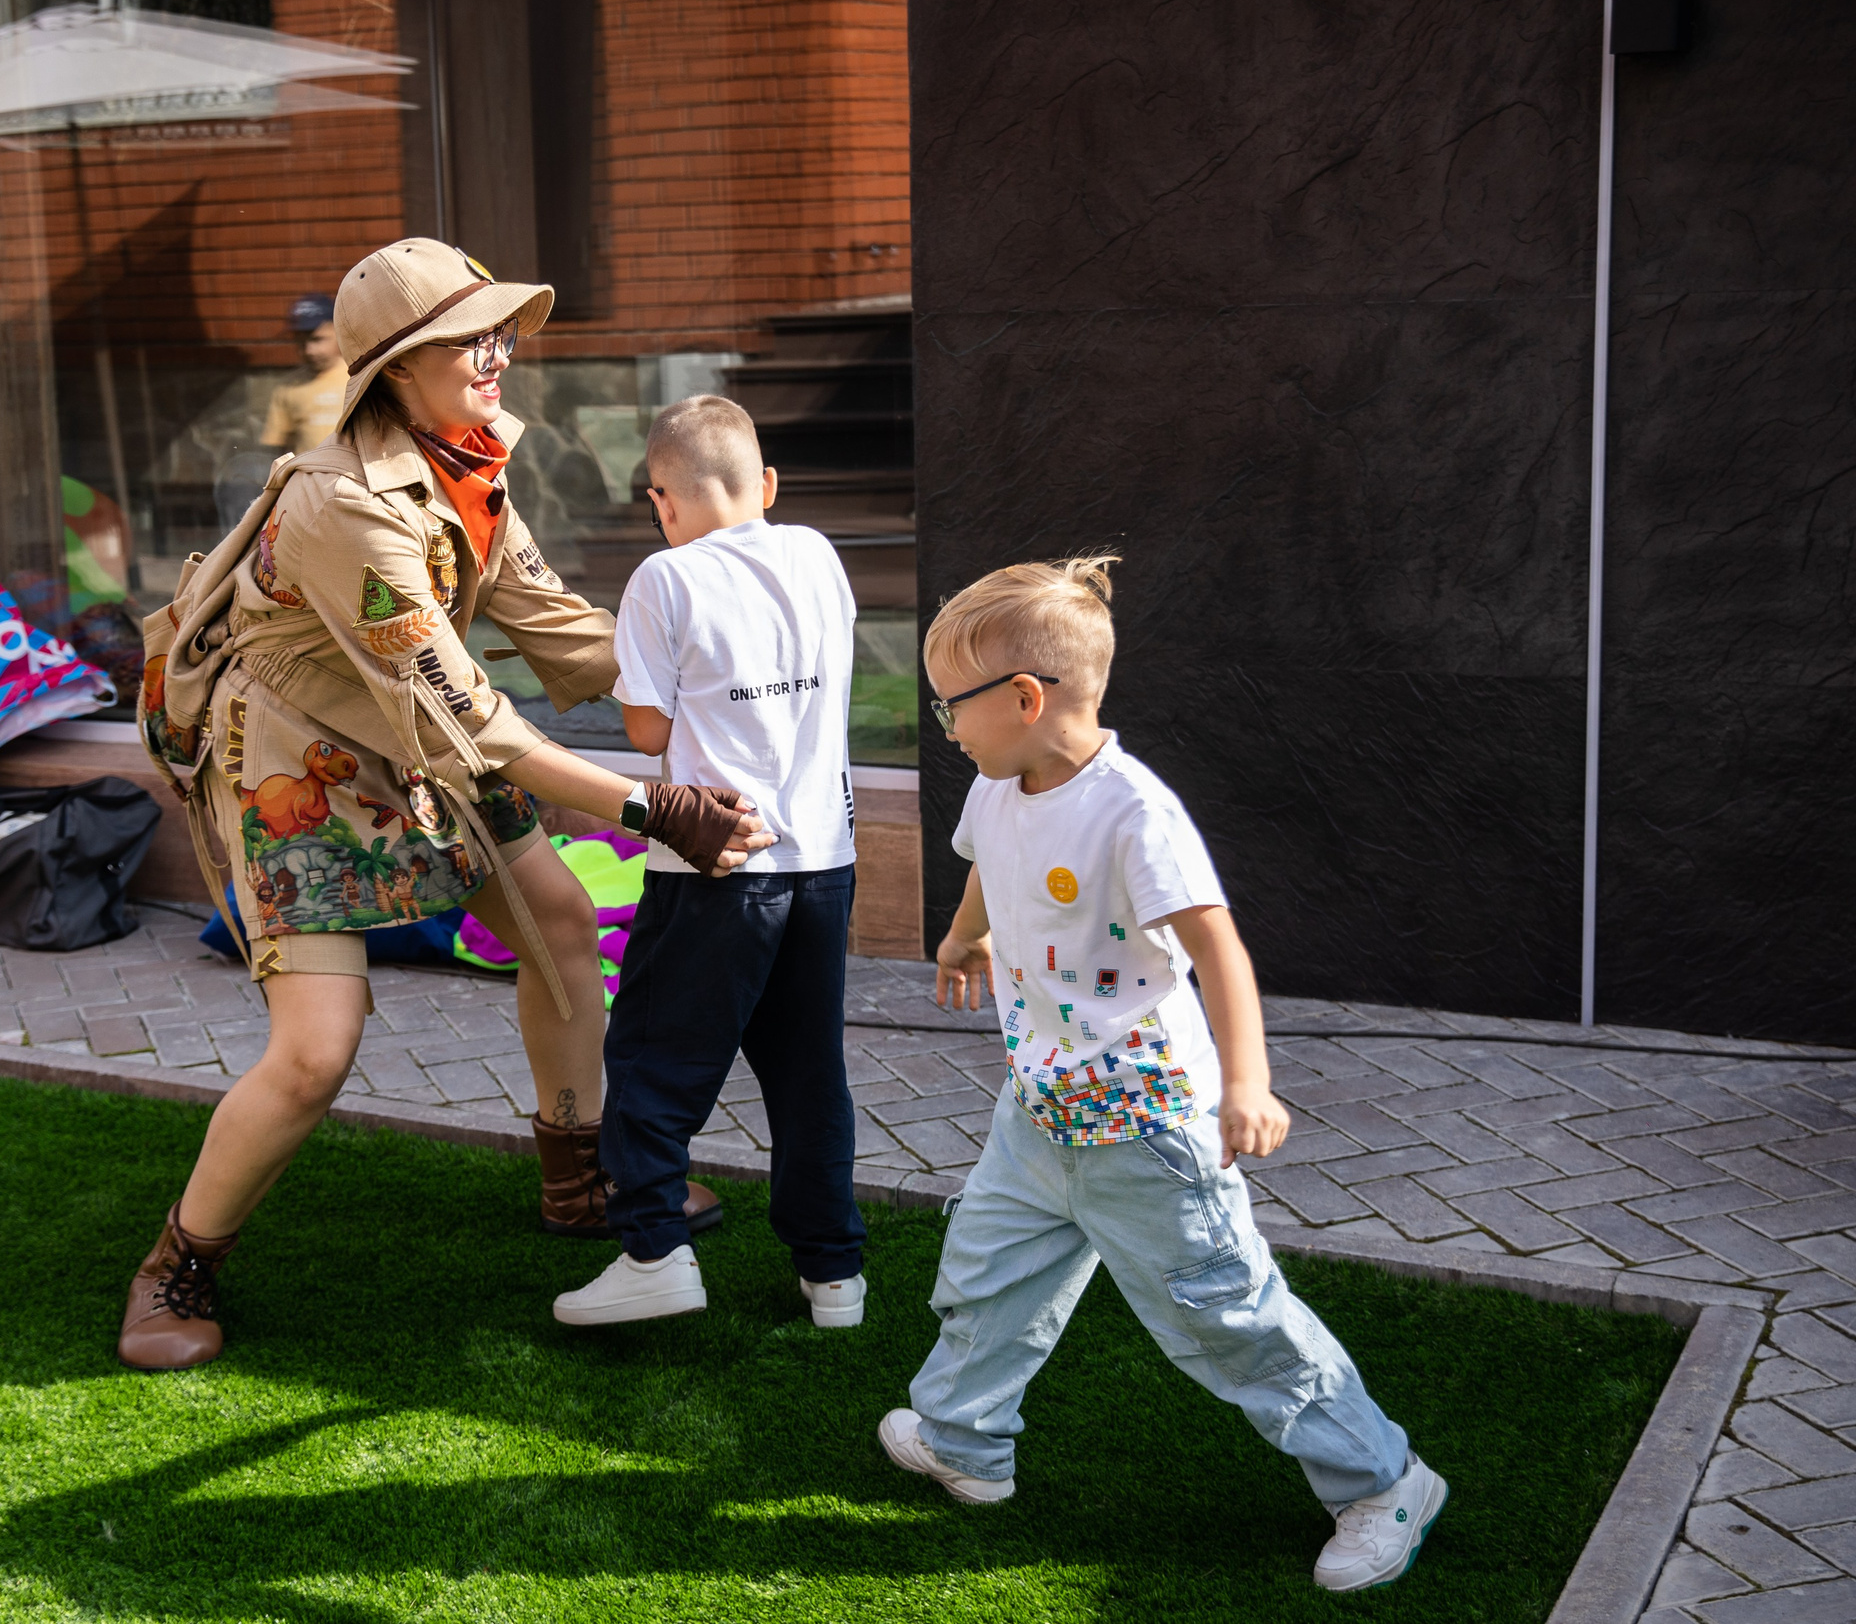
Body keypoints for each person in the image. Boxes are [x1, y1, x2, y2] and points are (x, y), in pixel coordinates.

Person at [122, 239, 772, 1371]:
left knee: (562, 924)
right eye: (464, 339)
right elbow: (477, 721)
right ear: (393, 368)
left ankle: (577, 1180)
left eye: (500, 332)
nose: (495, 354)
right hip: (298, 761)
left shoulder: (469, 460)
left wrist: (714, 656)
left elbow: (545, 614)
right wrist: (650, 807)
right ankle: (177, 1263)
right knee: (320, 1049)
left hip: (407, 731)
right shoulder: (344, 507)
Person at [875, 554, 1444, 1593]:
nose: (940, 722)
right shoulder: (999, 786)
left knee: (1224, 1314)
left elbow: (1217, 948)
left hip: (1147, 1125)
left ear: (1024, 697)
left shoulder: (1133, 812)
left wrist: (1246, 1083)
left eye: (946, 701)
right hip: (1038, 1106)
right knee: (986, 1275)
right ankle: (963, 1439)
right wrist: (962, 942)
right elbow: (983, 870)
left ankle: (1382, 1481)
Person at [551, 396, 869, 1330]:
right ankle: (834, 1274)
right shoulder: (815, 552)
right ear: (766, 484)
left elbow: (648, 727)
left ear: (662, 499)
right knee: (811, 1076)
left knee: (652, 1063)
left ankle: (653, 1249)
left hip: (713, 867)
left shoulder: (663, 576)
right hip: (823, 860)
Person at [257, 292, 346, 456]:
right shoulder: (288, 386)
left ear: (338, 331)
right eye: (300, 341)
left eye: (317, 339)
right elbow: (278, 446)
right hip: (307, 477)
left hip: (355, 477)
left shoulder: (359, 376)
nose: (309, 350)